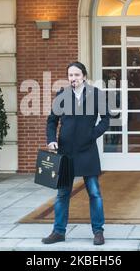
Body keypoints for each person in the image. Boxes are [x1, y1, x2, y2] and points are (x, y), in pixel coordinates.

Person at [42, 61, 110, 245]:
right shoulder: (61, 95)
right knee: (63, 194)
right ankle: (58, 232)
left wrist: (92, 135)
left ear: (84, 76)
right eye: (71, 75)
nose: (73, 78)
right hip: (66, 151)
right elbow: (51, 121)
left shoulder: (96, 95)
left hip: (87, 150)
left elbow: (105, 120)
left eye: (77, 75)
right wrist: (52, 140)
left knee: (94, 193)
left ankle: (98, 231)